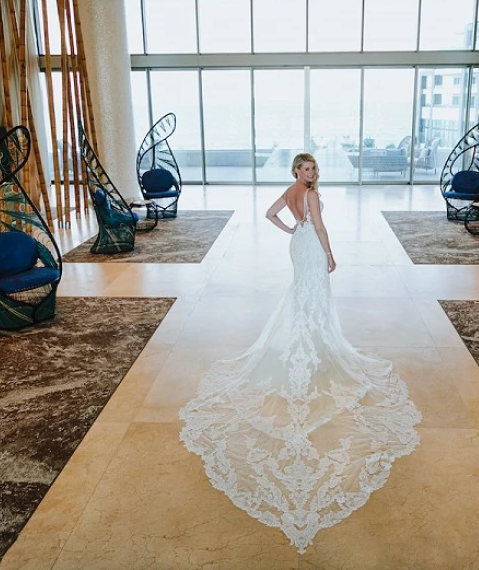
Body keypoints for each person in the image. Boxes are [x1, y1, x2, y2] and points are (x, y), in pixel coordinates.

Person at [179, 152, 421, 553]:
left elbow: (271, 214)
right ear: (296, 171)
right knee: (313, 296)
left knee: (305, 297)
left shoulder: (293, 192)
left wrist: (291, 229)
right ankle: (311, 348)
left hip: (298, 244)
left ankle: (307, 343)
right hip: (310, 248)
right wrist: (329, 253)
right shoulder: (306, 194)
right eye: (305, 169)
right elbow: (321, 226)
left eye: (312, 169)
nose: (310, 174)